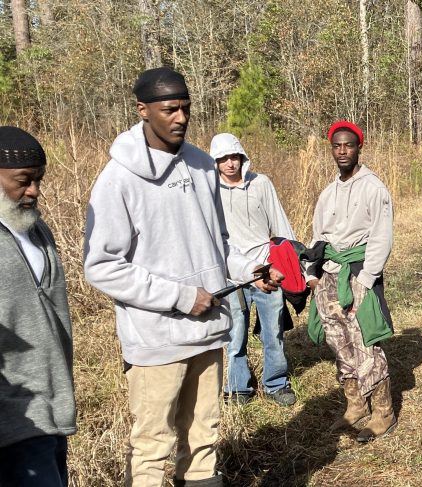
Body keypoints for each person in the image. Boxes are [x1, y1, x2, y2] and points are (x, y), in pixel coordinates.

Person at [83, 68, 283, 487]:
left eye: (185, 109)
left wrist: (249, 271)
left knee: (204, 440)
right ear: (143, 111)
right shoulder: (117, 180)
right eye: (169, 109)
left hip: (209, 330)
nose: (180, 118)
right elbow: (101, 266)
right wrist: (179, 296)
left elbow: (218, 241)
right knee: (154, 446)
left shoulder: (201, 165)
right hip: (157, 340)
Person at [305, 121, 397, 442]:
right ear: (332, 149)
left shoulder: (374, 188)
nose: (342, 151)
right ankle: (355, 403)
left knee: (365, 339)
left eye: (349, 145)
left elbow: (382, 236)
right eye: (337, 146)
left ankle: (383, 411)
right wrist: (313, 274)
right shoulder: (328, 193)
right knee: (337, 337)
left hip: (358, 271)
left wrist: (367, 278)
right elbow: (318, 236)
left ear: (359, 147)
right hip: (329, 273)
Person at [0, 126, 76, 486]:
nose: (33, 191)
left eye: (39, 180)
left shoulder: (36, 229)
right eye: (23, 181)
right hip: (14, 413)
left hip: (54, 402)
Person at [209, 133, 297, 407]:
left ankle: (276, 384)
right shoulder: (210, 191)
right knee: (235, 335)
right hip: (232, 275)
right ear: (216, 162)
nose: (230, 164)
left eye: (234, 157)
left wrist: (292, 264)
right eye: (223, 159)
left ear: (243, 158)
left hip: (266, 270)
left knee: (273, 331)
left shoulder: (261, 184)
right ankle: (238, 389)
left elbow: (280, 226)